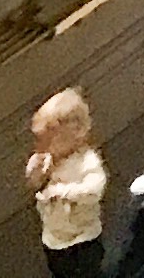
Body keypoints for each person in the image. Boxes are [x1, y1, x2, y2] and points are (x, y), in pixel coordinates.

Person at [23, 90, 103, 265]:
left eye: (50, 141)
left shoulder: (87, 162)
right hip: (54, 238)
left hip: (83, 238)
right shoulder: (48, 160)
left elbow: (93, 191)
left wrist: (63, 191)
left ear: (77, 133)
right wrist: (36, 174)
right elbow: (35, 185)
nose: (43, 147)